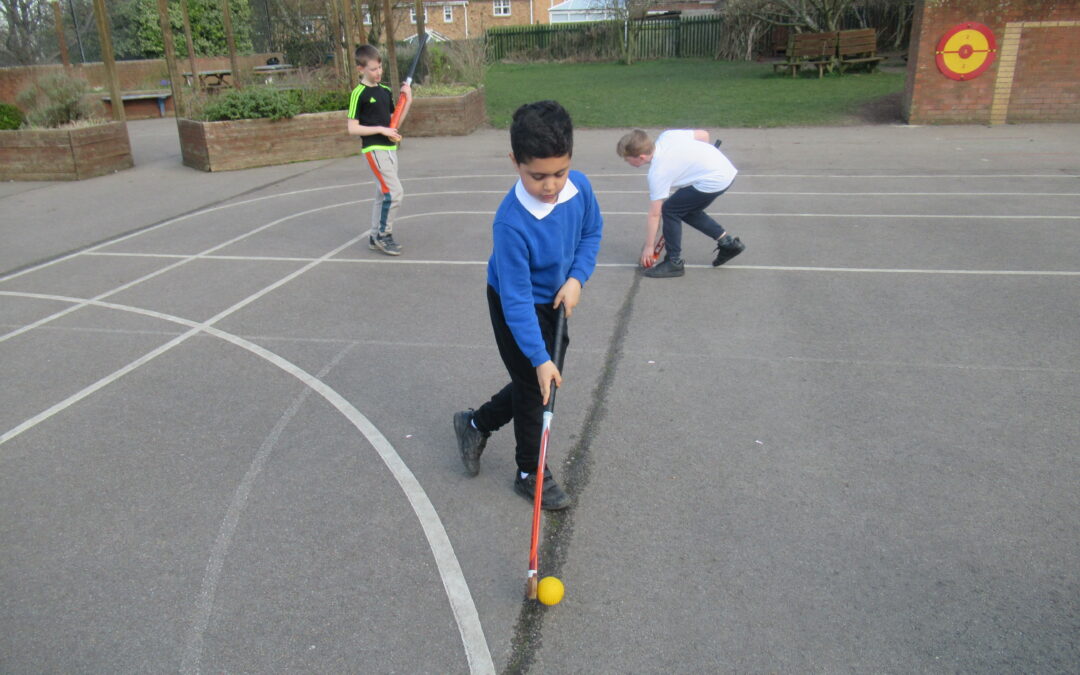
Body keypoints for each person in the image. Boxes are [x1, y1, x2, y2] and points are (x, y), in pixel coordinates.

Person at [453, 101, 603, 511]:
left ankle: (475, 424)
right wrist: (538, 357)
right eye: (537, 176)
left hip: (556, 297)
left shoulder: (580, 188)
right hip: (515, 304)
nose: (551, 185)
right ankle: (529, 473)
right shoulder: (511, 223)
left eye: (560, 172)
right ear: (515, 162)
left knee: (536, 383)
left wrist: (576, 279)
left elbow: (591, 233)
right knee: (538, 382)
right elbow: (516, 300)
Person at [616, 128, 745, 278]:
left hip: (714, 179)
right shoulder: (667, 136)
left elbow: (655, 214)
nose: (626, 161)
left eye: (627, 158)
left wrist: (649, 247)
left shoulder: (658, 172)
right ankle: (728, 243)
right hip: (725, 168)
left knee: (670, 210)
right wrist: (702, 158)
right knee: (685, 209)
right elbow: (704, 135)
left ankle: (674, 262)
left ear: (641, 157)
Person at [347, 44, 413, 256]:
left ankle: (375, 235)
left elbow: (394, 123)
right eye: (373, 69)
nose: (378, 72)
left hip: (389, 148)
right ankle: (384, 235)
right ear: (361, 69)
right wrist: (381, 130)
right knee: (394, 193)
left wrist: (408, 100)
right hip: (374, 148)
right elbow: (352, 128)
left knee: (382, 194)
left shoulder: (384, 91)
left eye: (380, 67)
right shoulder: (358, 94)